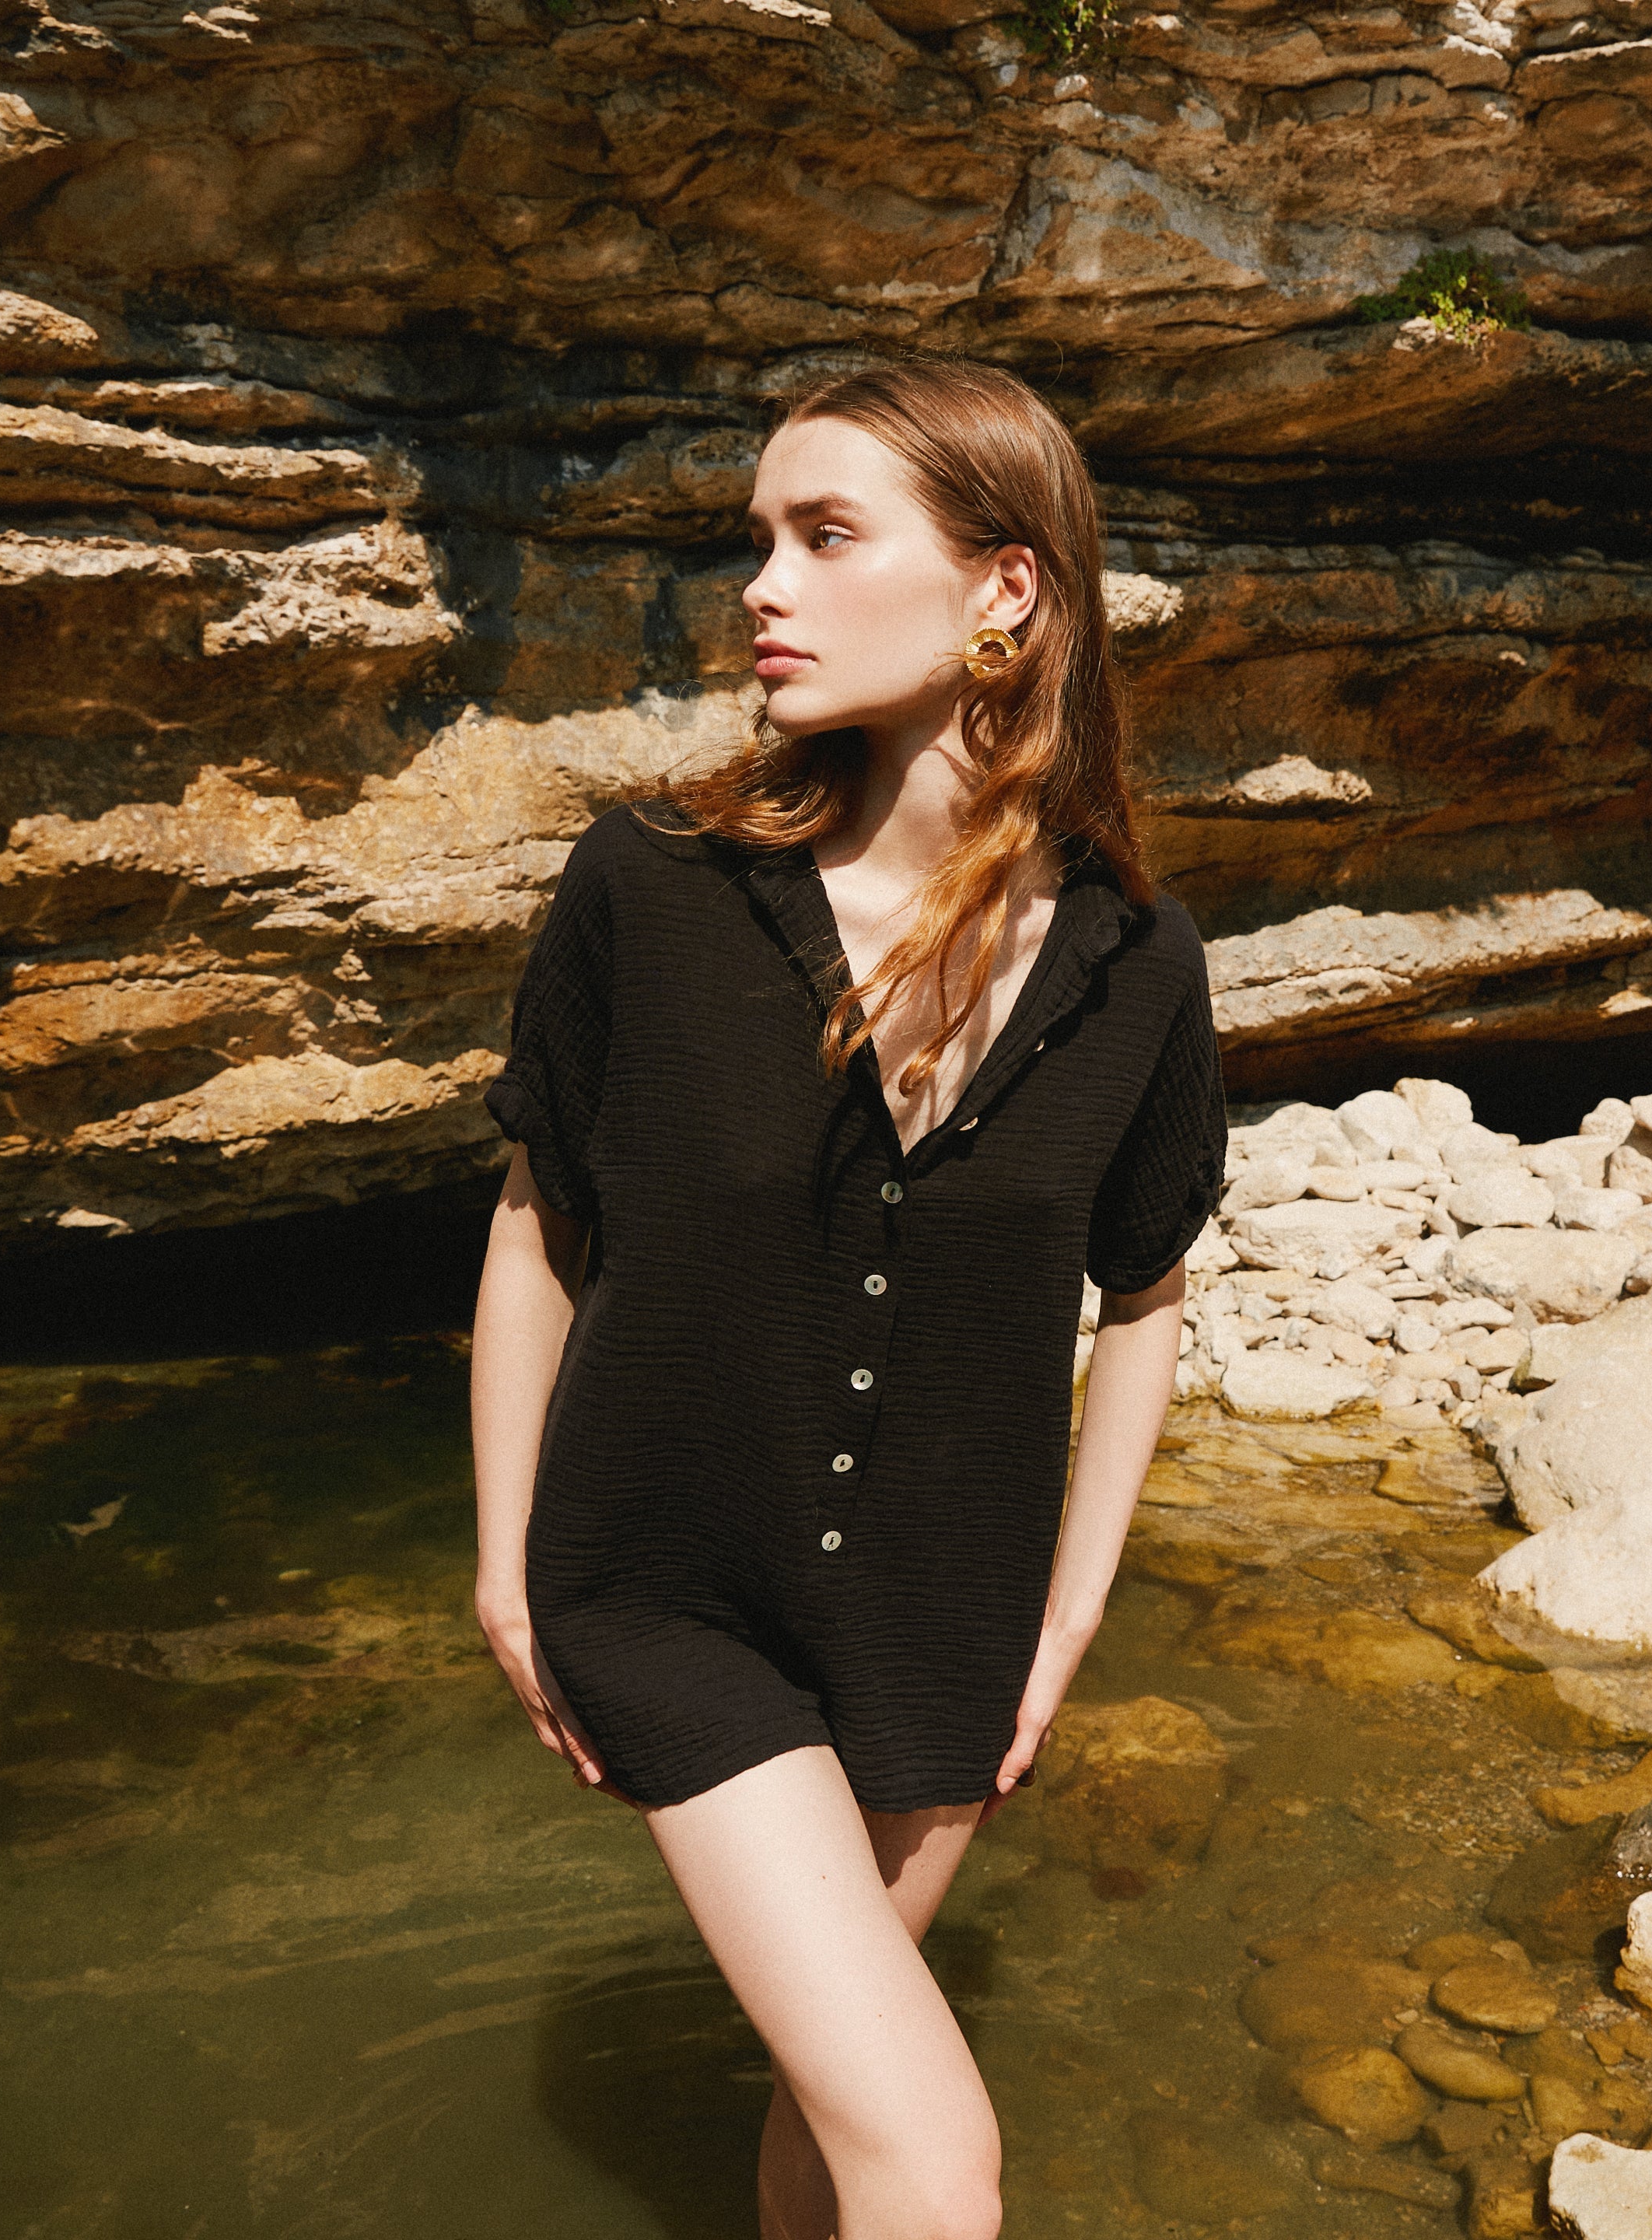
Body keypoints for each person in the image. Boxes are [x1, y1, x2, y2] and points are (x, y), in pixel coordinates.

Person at [466, 354, 1226, 2240]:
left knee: (836, 2127)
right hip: (666, 1593)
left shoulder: (1137, 961)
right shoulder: (651, 890)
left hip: (947, 1625)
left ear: (1003, 590)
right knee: (938, 2161)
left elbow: (1145, 1292)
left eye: (824, 536)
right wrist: (507, 1566)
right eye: (761, 540)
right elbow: (538, 1223)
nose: (763, 587)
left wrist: (1066, 1623)